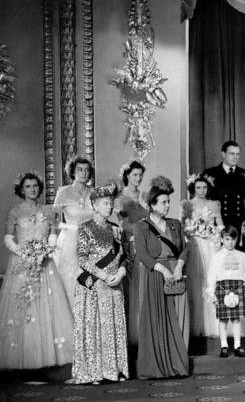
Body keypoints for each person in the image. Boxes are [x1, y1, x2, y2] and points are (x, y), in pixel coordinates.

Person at [0, 172, 73, 371]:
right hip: (21, 264)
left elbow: (53, 234)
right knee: (23, 308)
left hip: (44, 264)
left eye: (35, 185)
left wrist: (44, 251)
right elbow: (8, 238)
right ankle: (21, 363)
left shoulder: (48, 210)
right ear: (21, 190)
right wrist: (23, 253)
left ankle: (45, 363)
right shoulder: (15, 211)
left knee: (45, 308)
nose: (32, 189)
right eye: (28, 186)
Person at [71, 183, 129, 384]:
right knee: (94, 328)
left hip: (115, 284)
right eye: (105, 203)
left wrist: (121, 273)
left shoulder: (116, 230)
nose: (110, 207)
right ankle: (94, 372)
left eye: (111, 203)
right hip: (94, 285)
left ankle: (114, 370)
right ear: (94, 205)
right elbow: (81, 258)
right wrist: (102, 276)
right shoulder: (85, 228)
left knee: (113, 327)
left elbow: (124, 257)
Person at [134, 176, 189, 378]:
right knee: (156, 320)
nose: (167, 206)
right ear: (152, 205)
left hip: (176, 273)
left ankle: (177, 363)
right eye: (163, 202)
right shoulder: (141, 227)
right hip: (156, 276)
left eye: (168, 202)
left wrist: (178, 267)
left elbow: (184, 249)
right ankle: (157, 366)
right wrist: (164, 271)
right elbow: (142, 255)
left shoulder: (175, 224)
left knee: (178, 320)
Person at [180, 173, 223, 337]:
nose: (202, 190)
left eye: (204, 187)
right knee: (196, 283)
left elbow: (220, 226)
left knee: (210, 283)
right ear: (193, 188)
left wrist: (214, 235)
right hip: (194, 246)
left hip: (210, 246)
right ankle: (196, 324)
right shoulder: (186, 204)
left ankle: (213, 324)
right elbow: (182, 226)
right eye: (198, 187)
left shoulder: (213, 204)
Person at [113, 160, 148, 346]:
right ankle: (127, 333)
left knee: (143, 283)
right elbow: (122, 222)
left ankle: (143, 329)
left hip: (144, 242)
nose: (138, 178)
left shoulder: (145, 195)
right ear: (127, 175)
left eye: (140, 174)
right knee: (129, 284)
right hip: (128, 241)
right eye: (134, 174)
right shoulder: (119, 198)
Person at [203, 141, 245, 254]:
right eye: (232, 153)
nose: (235, 157)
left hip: (238, 226)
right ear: (223, 154)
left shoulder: (244, 175)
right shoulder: (210, 174)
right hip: (217, 226)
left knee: (237, 263)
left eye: (237, 154)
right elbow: (203, 200)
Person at [53, 156, 95, 308]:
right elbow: (55, 222)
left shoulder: (94, 193)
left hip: (91, 243)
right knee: (70, 281)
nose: (84, 173)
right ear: (72, 171)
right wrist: (73, 228)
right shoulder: (63, 192)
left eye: (86, 170)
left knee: (90, 281)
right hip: (70, 242)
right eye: (80, 169)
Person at [206, 226, 245, 358]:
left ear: (236, 239)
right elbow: (212, 275)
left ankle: (238, 346)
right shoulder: (217, 257)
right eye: (227, 239)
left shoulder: (242, 255)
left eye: (233, 239)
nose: (230, 242)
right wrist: (212, 292)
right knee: (223, 320)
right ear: (222, 239)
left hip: (238, 288)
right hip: (222, 288)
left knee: (236, 320)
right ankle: (224, 346)